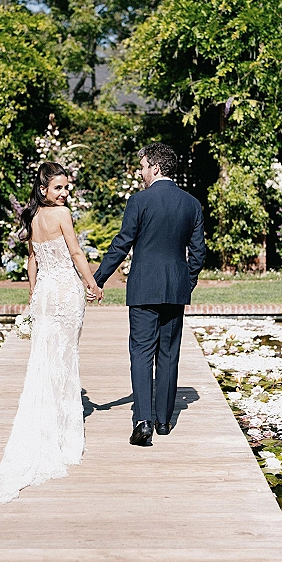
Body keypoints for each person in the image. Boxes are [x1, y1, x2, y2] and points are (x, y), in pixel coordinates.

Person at [0, 162, 103, 504]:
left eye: (66, 187)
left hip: (43, 296)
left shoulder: (32, 217)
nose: (64, 193)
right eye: (58, 188)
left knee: (45, 359)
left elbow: (32, 261)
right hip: (67, 293)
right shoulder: (63, 214)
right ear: (43, 189)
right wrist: (92, 282)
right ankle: (62, 435)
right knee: (65, 359)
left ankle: (47, 426)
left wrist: (32, 294)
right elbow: (76, 253)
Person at [92, 142, 205, 446]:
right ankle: (165, 421)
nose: (140, 172)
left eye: (142, 167)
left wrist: (97, 278)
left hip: (143, 289)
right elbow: (198, 254)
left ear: (155, 167)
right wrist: (187, 282)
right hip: (175, 290)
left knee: (142, 354)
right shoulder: (192, 204)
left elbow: (121, 243)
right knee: (168, 354)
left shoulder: (139, 201)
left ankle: (143, 422)